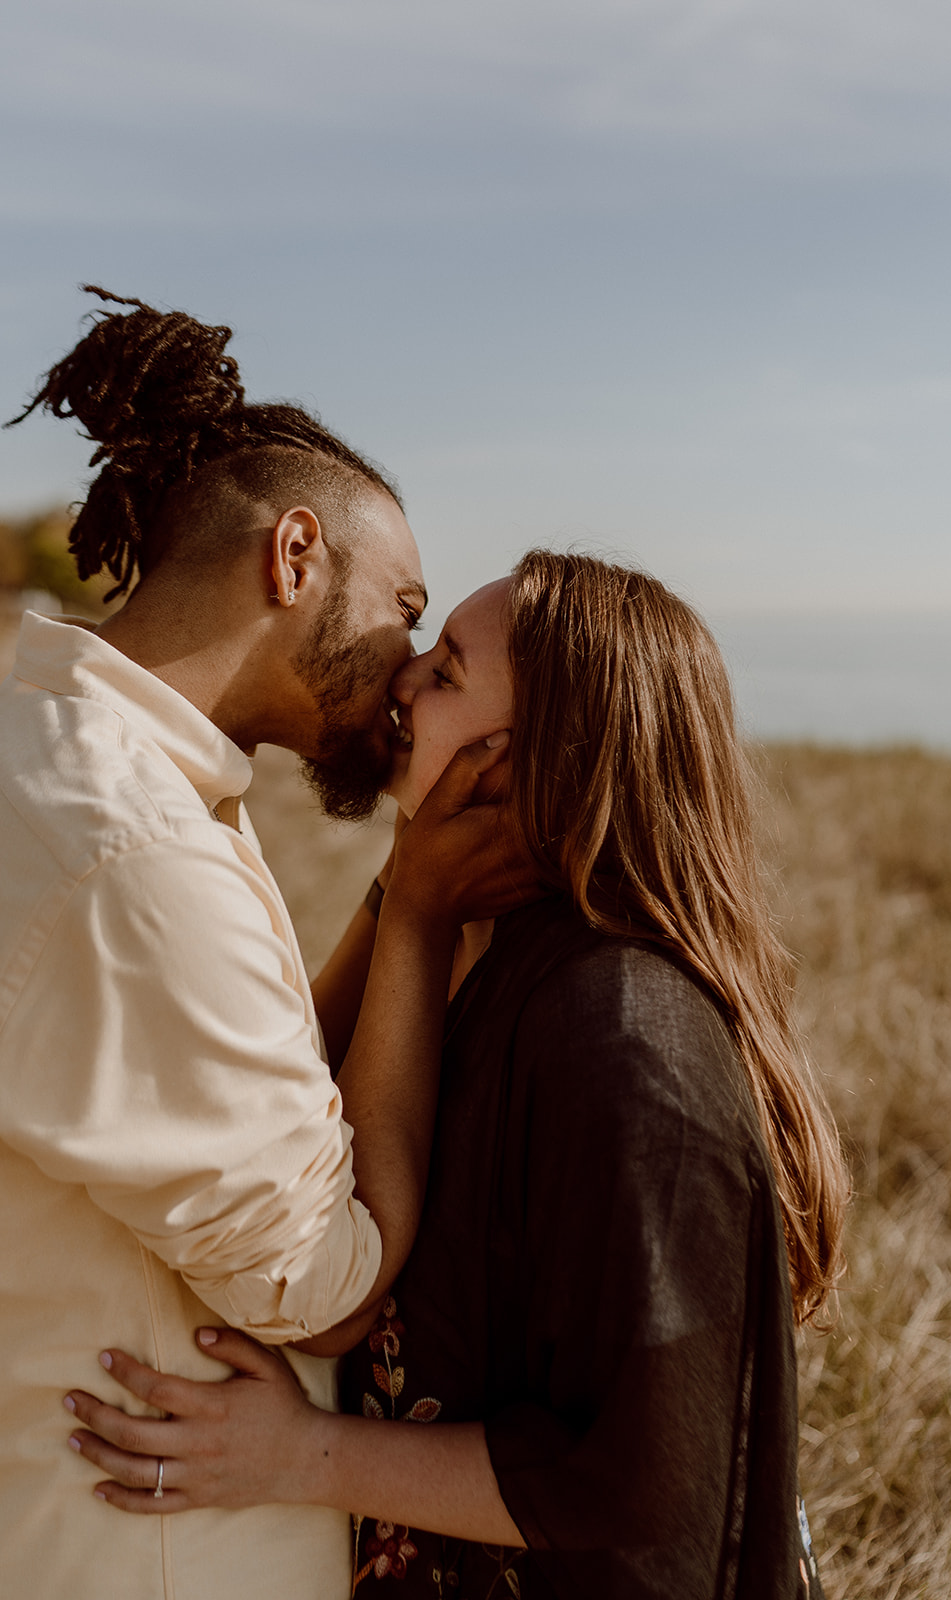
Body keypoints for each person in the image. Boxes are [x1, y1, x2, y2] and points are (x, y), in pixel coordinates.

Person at [66, 551, 848, 1598]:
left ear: (530, 760)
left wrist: (303, 1453)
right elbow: (300, 1105)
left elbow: (655, 1471)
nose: (401, 679)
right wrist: (411, 893)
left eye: (443, 672)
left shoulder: (619, 1039)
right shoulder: (490, 958)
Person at [0, 289, 524, 1600]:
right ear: (294, 557)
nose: (408, 668)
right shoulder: (137, 855)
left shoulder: (61, 754)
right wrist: (413, 918)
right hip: (151, 1551)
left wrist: (400, 885)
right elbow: (328, 1288)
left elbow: (275, 1077)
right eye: (402, 606)